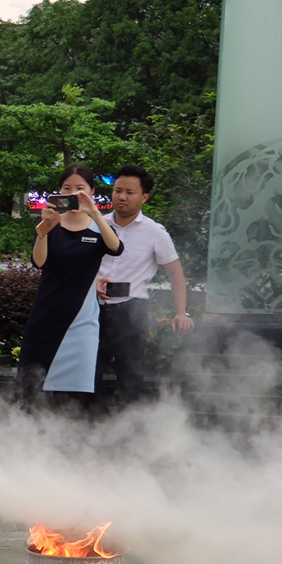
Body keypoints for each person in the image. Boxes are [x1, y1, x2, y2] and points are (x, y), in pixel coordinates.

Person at [17, 164, 123, 397]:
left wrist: (94, 212)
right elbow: (39, 262)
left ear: (92, 191)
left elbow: (116, 248)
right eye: (67, 188)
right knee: (33, 388)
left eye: (80, 188)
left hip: (82, 320)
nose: (73, 193)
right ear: (59, 192)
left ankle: (75, 432)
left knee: (77, 393)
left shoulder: (99, 226)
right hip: (46, 316)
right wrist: (44, 229)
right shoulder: (50, 224)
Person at [94, 164, 195, 401]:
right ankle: (86, 430)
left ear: (144, 197)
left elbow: (176, 274)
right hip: (93, 309)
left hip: (131, 311)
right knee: (89, 377)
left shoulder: (155, 232)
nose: (122, 197)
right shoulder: (97, 225)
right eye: (118, 190)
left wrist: (181, 313)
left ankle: (131, 432)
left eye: (130, 192)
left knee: (130, 380)